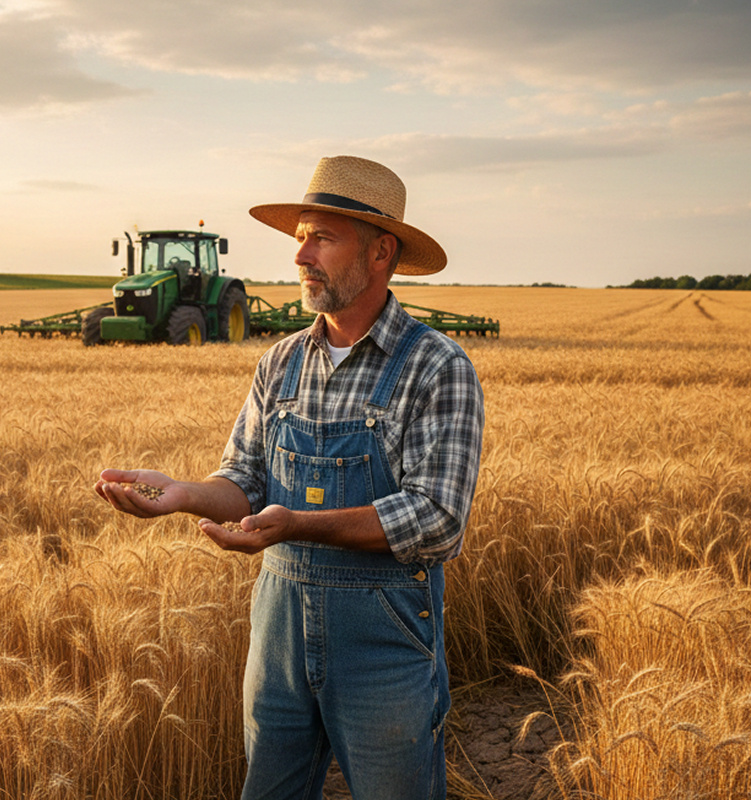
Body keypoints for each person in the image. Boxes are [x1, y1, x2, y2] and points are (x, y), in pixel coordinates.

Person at [94, 155, 485, 800]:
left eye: (322, 238)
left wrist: (296, 526)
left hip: (384, 640)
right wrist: (184, 495)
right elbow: (245, 479)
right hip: (276, 638)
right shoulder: (280, 361)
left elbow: (438, 520)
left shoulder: (437, 367)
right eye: (300, 237)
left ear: (381, 252)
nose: (300, 255)